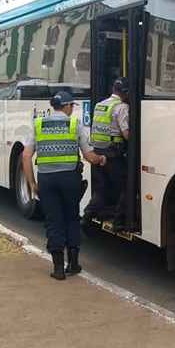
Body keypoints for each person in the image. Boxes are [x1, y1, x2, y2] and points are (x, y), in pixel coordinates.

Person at [22, 91, 106, 280]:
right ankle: (73, 264)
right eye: (72, 106)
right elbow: (89, 156)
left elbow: (26, 156)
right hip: (69, 179)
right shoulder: (75, 124)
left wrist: (32, 183)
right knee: (71, 218)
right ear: (67, 106)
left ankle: (58, 268)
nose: (72, 109)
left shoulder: (38, 124)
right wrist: (102, 159)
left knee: (53, 221)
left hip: (47, 180)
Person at [83, 78, 131, 231]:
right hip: (113, 155)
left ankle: (87, 216)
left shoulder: (100, 105)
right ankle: (118, 221)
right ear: (125, 93)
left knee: (101, 188)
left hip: (97, 153)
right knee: (126, 186)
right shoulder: (122, 107)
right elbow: (126, 134)